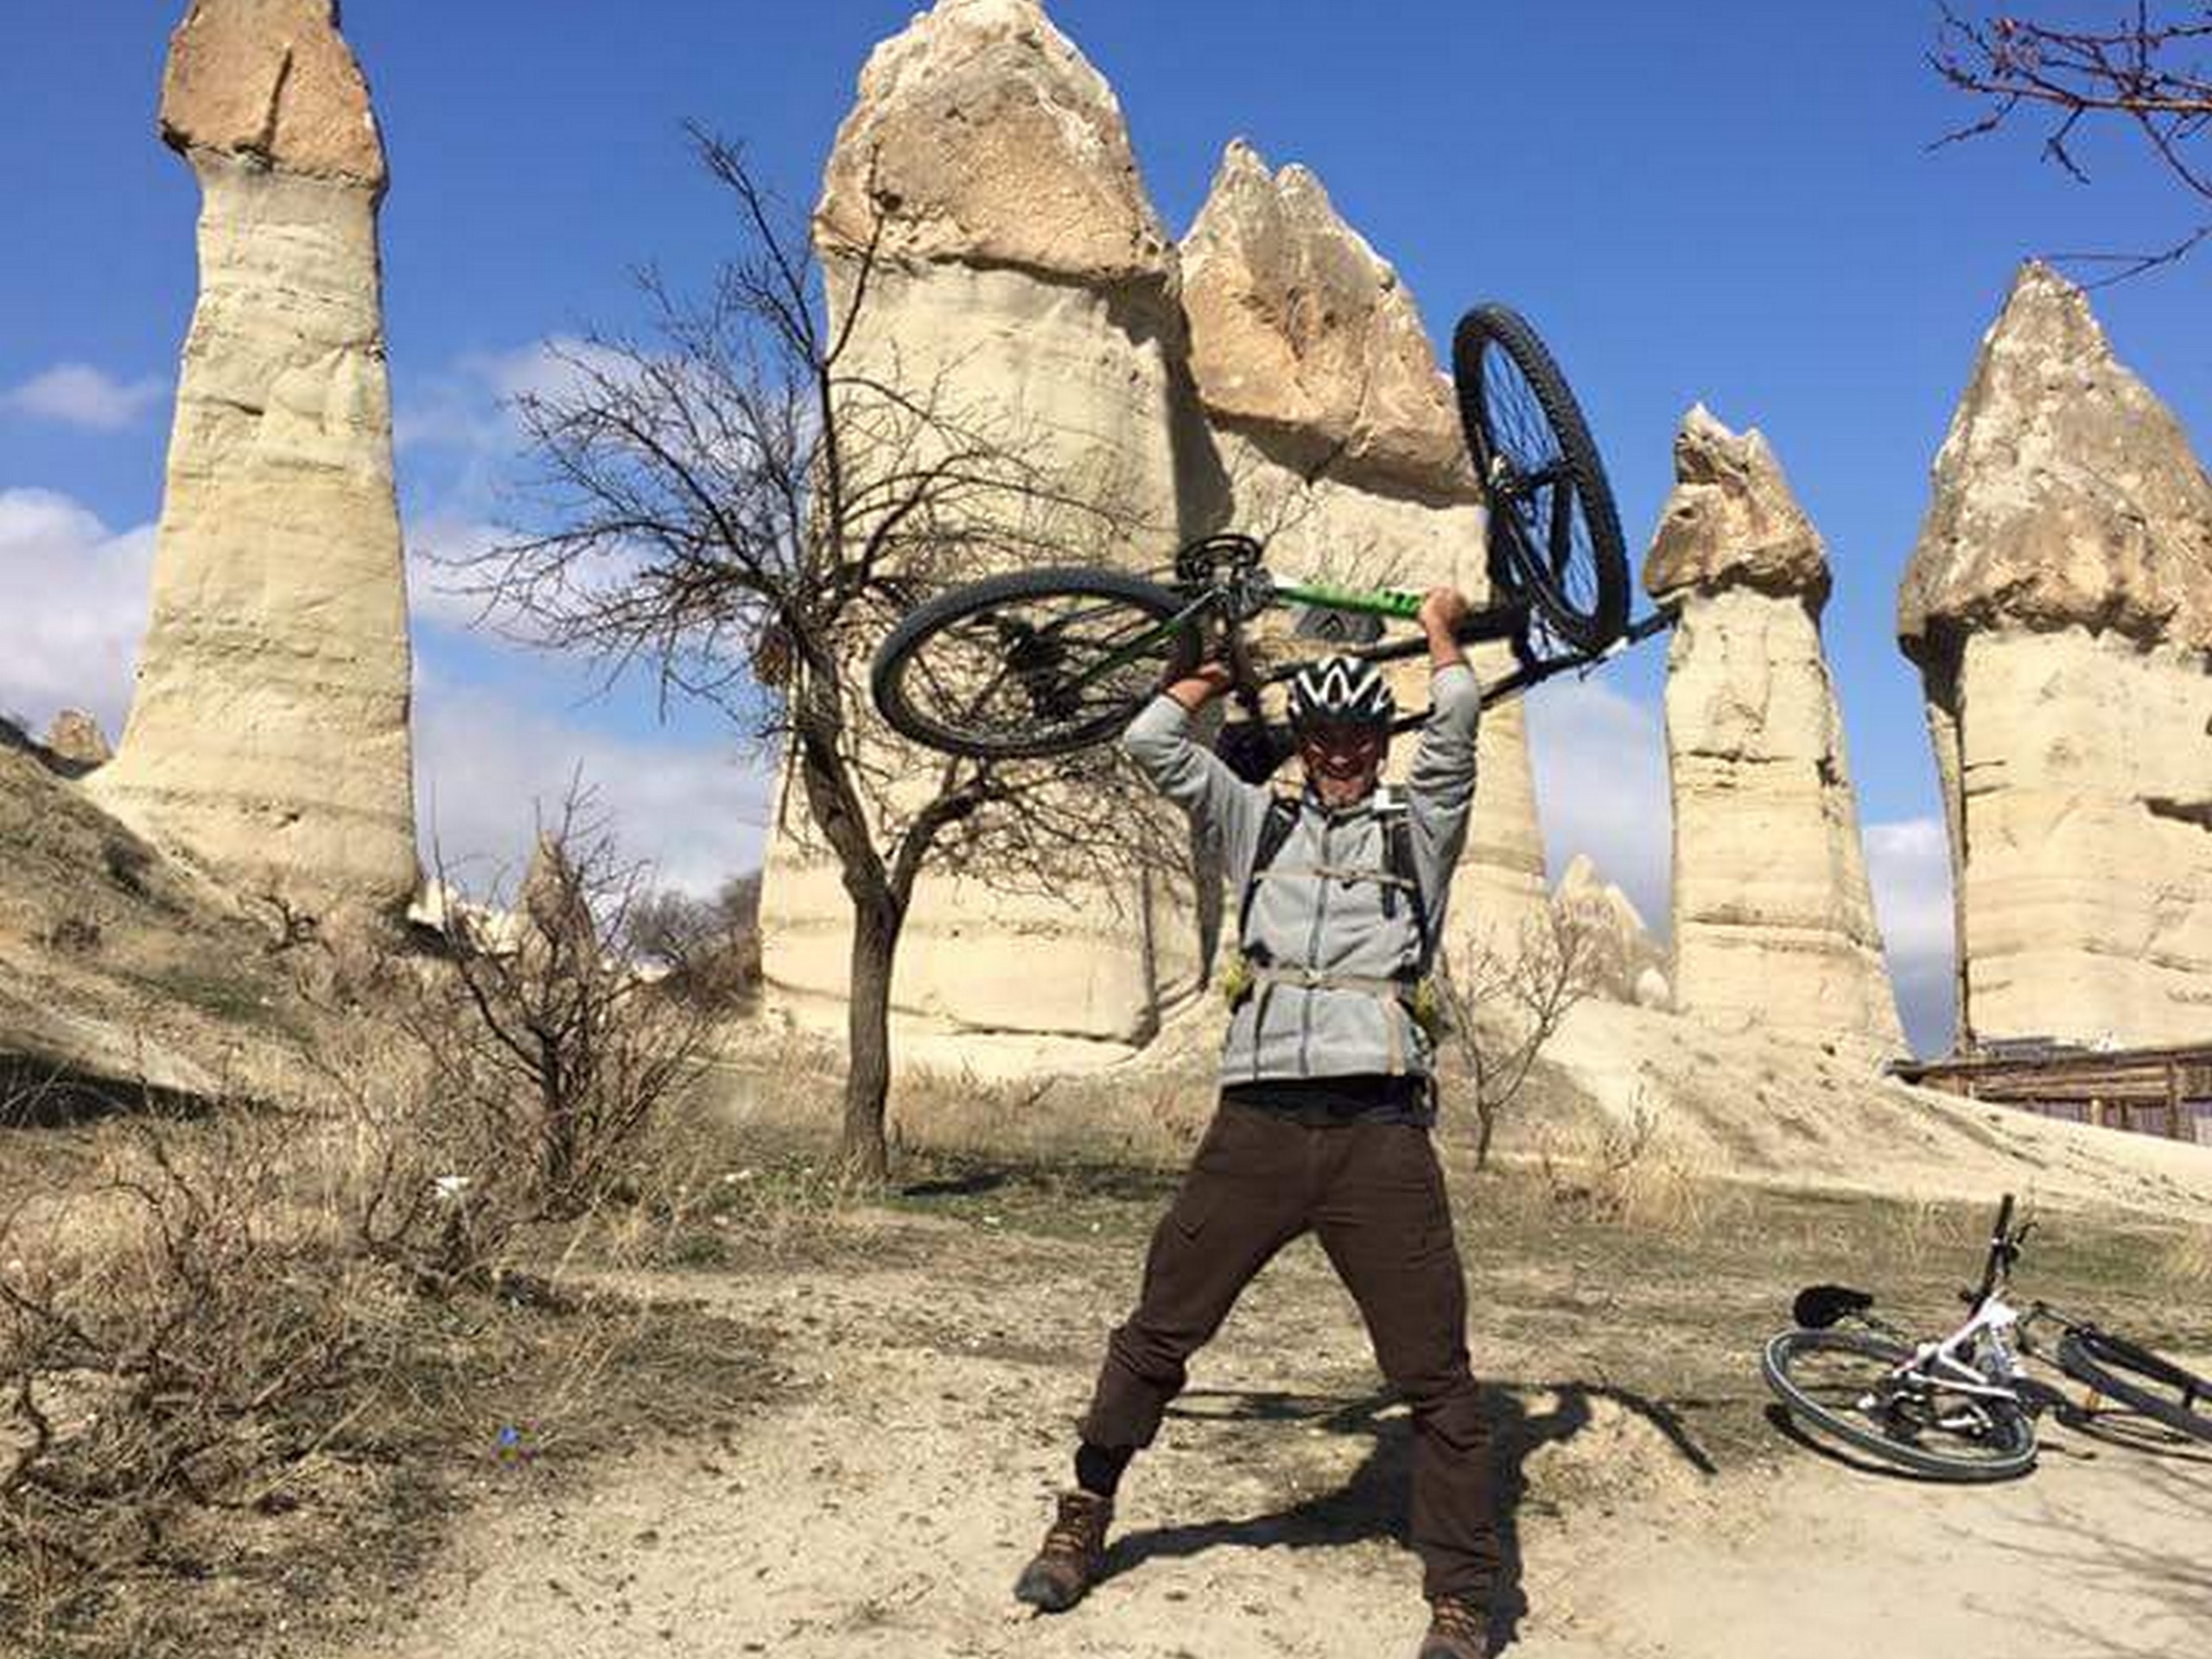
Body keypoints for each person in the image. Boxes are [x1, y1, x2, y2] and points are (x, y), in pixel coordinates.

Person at [1014, 588, 1499, 1659]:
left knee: (1435, 1376)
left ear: (1379, 742)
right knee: (1157, 1334)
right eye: (1321, 737)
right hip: (1257, 1131)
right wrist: (1216, 680)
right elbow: (1152, 743)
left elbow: (1458, 743)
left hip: (1379, 1134)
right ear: (1302, 743)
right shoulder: (1257, 817)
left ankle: (1462, 1595)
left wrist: (1441, 637)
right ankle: (1082, 1516)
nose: (1338, 755)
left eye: (1358, 738)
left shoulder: (1414, 834)